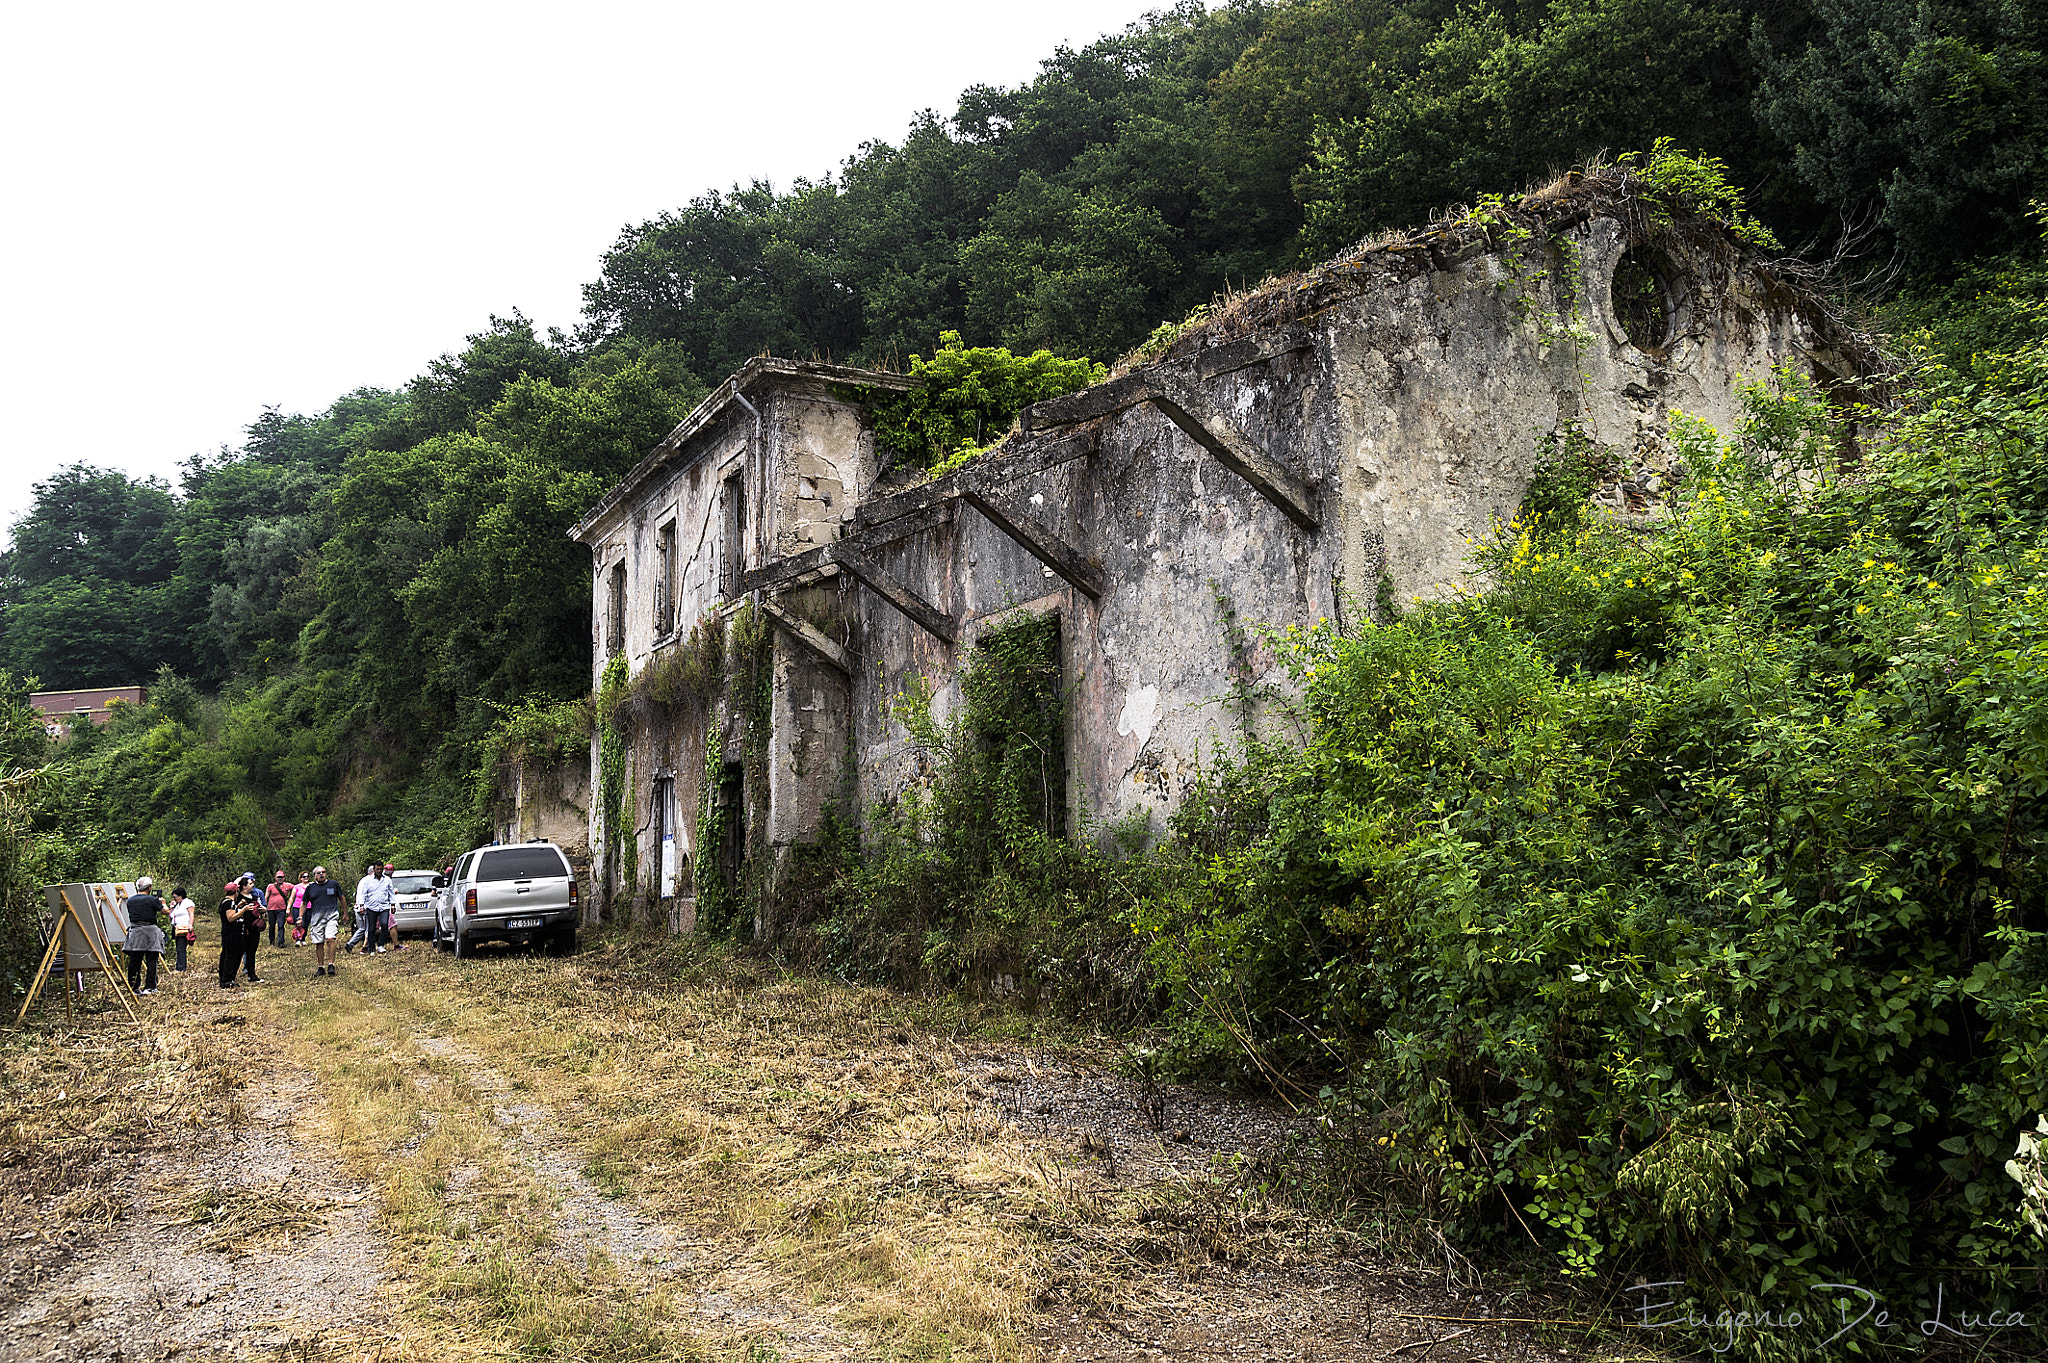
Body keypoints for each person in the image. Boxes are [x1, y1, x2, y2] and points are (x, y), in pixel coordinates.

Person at [123, 876, 166, 995]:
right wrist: (163, 903)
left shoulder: (130, 900)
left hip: (135, 931)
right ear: (149, 887)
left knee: (135, 960)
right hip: (150, 931)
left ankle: (134, 987)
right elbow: (165, 912)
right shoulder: (152, 900)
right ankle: (150, 987)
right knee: (151, 959)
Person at [301, 865, 346, 976]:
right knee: (319, 943)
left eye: (323, 872)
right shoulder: (311, 888)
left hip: (331, 915)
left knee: (330, 939)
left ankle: (331, 965)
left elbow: (342, 898)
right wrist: (300, 917)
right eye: (319, 873)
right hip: (317, 917)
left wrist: (345, 913)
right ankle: (321, 967)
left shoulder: (333, 884)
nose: (321, 874)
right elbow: (304, 903)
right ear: (314, 875)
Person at [218, 877, 262, 989]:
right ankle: (227, 980)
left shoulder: (230, 903)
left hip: (232, 933)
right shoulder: (228, 903)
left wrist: (239, 907)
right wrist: (244, 910)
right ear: (236, 891)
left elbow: (233, 911)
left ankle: (227, 978)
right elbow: (230, 918)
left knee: (229, 955)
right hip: (231, 934)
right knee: (230, 956)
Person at [354, 862, 395, 954]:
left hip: (384, 906)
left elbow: (391, 893)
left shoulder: (387, 880)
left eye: (381, 869)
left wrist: (392, 904)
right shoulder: (368, 881)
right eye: (377, 869)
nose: (379, 871)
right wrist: (361, 905)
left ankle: (380, 945)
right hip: (371, 907)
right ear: (374, 869)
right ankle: (371, 948)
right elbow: (363, 893)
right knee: (371, 928)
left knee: (384, 925)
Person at [168, 885, 196, 973]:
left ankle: (181, 967)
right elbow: (171, 915)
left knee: (181, 947)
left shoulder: (188, 903)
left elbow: (191, 914)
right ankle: (179, 965)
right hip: (176, 928)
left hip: (183, 927)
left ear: (180, 896)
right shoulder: (177, 905)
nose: (174, 899)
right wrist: (171, 907)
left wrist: (190, 925)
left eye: (175, 897)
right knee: (178, 947)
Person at [264, 871, 293, 946]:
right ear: (275, 878)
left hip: (281, 908)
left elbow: (297, 888)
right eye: (278, 877)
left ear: (284, 877)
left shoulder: (288, 885)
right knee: (271, 925)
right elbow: (266, 897)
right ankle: (271, 939)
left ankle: (281, 941)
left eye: (281, 877)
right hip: (271, 908)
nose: (280, 879)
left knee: (281, 925)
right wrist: (264, 908)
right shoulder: (270, 886)